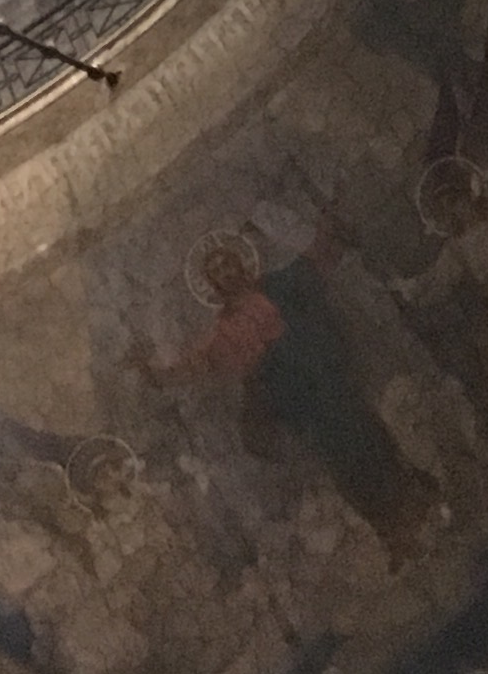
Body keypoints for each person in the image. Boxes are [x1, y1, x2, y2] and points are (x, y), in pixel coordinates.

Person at [135, 229, 445, 569]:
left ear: (241, 262)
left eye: (227, 263)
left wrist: (331, 225)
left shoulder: (277, 285)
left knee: (370, 440)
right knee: (344, 466)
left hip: (328, 380)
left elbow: (313, 263)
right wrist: (152, 373)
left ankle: (416, 503)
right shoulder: (224, 330)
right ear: (212, 284)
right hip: (300, 403)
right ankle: (392, 531)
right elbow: (195, 363)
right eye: (216, 271)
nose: (225, 272)